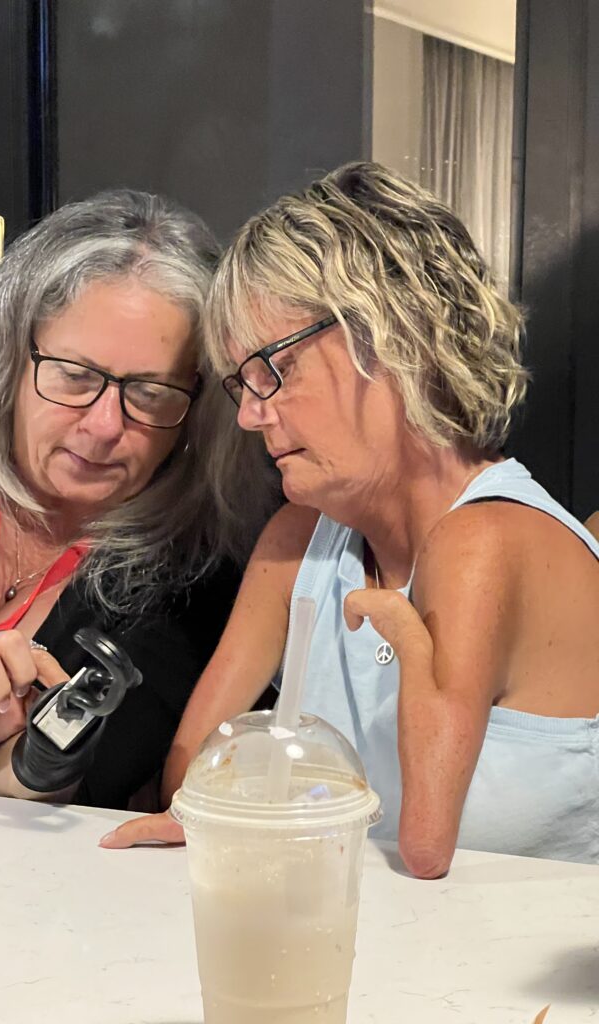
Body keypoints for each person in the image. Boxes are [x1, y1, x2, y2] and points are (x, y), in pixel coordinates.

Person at [102, 162, 599, 873]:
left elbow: (425, 851)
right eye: (240, 382)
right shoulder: (300, 541)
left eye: (274, 368)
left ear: (392, 335)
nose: (249, 413)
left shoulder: (484, 540)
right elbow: (189, 785)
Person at [0, 190, 274, 805]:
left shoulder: (197, 569)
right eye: (75, 375)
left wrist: (39, 761)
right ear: (11, 354)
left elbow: (27, 800)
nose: (103, 426)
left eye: (149, 393)